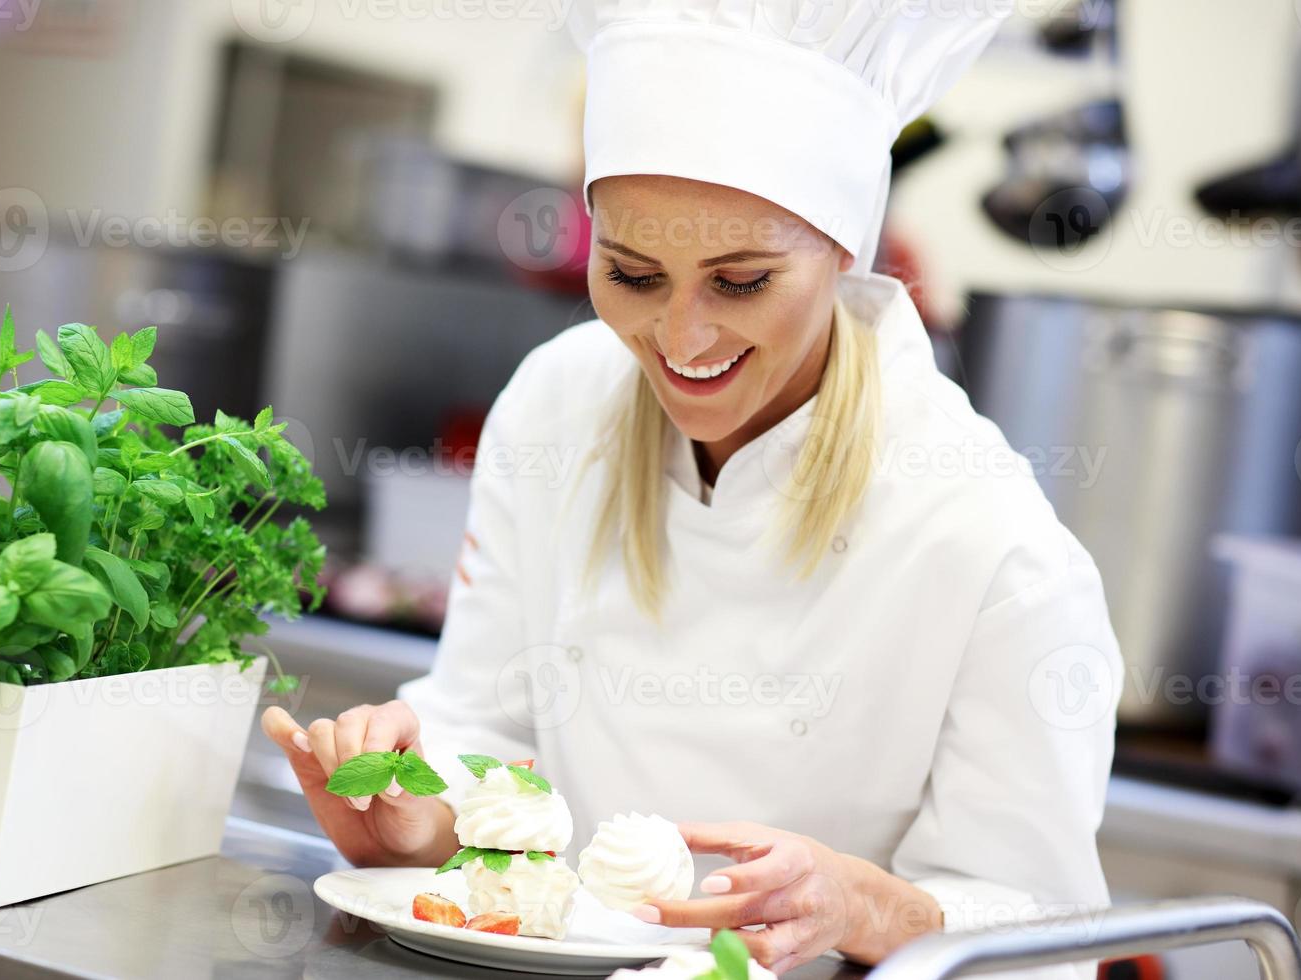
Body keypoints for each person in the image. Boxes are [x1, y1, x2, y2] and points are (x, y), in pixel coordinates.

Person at [262, 1, 1124, 975]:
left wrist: (861, 904)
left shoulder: (991, 543)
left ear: (844, 250)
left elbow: (1046, 938)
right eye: (631, 273)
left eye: (742, 281)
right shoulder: (559, 405)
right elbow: (487, 724)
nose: (680, 340)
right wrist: (416, 813)